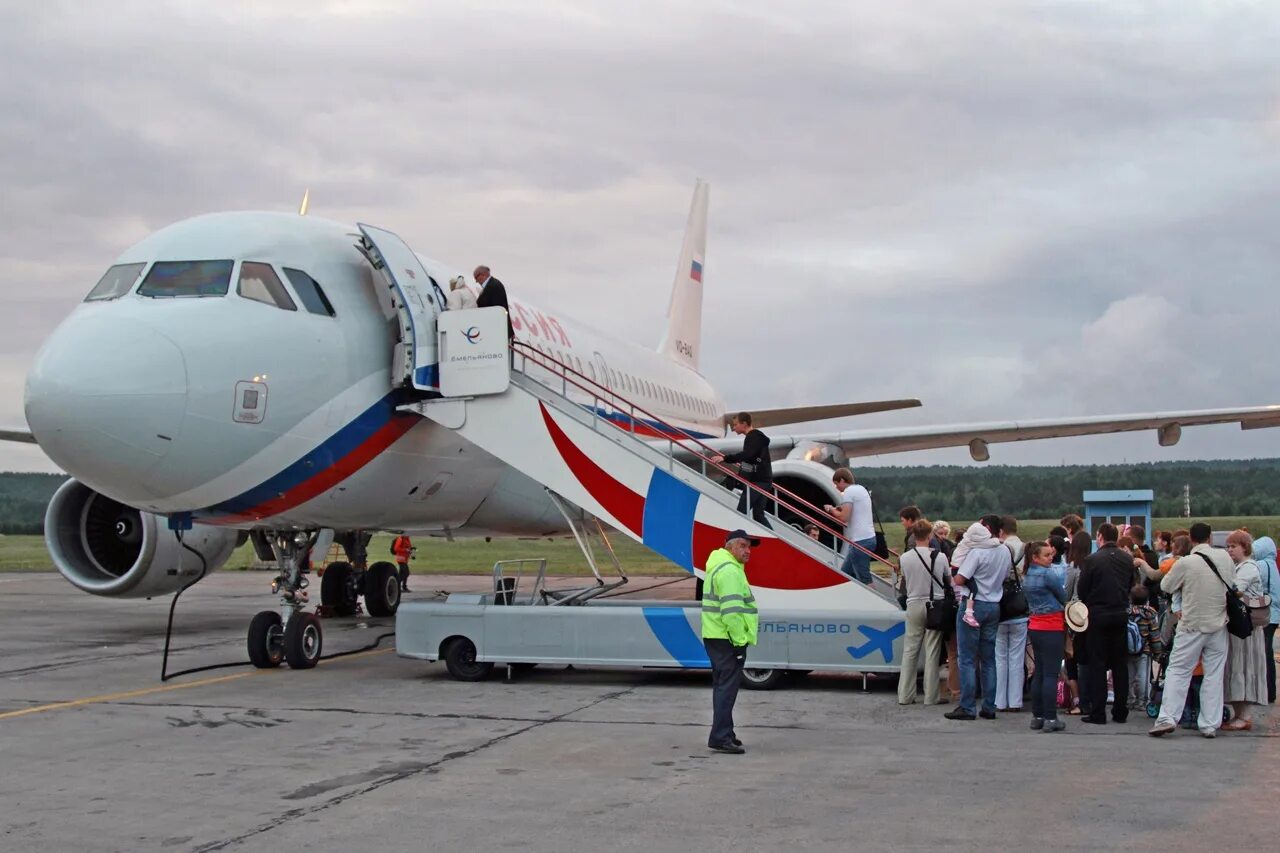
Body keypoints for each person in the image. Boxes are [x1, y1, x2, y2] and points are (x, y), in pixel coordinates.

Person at [1150, 523, 1231, 738]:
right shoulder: (1225, 558)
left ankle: (1168, 718)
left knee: (1178, 670)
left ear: (1191, 539)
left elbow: (1166, 586)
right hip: (1219, 624)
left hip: (1192, 623)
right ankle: (1209, 724)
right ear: (1210, 537)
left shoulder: (1186, 563)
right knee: (1213, 674)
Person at [945, 515, 1010, 721]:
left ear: (985, 528)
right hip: (994, 604)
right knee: (989, 659)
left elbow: (959, 578)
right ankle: (989, 706)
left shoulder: (976, 552)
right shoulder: (1004, 551)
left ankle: (967, 706)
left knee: (967, 658)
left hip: (973, 604)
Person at [701, 529, 760, 754]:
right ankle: (720, 737)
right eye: (743, 546)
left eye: (749, 547)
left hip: (715, 636)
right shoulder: (730, 572)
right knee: (727, 689)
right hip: (727, 639)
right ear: (731, 547)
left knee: (722, 687)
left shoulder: (722, 566)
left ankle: (726, 731)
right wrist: (738, 643)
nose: (748, 551)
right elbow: (732, 613)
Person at [1077, 523, 1134, 724]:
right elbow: (1131, 585)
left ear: (1099, 537)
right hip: (1120, 613)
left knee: (1098, 664)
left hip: (1098, 614)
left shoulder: (1092, 560)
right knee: (1120, 664)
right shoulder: (1127, 558)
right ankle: (1120, 711)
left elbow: (1082, 590)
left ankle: (1098, 712)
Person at [897, 519, 950, 706]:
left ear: (914, 536)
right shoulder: (940, 557)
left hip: (913, 603)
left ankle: (905, 694)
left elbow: (903, 582)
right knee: (932, 651)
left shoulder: (904, 558)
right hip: (934, 604)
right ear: (930, 535)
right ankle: (931, 696)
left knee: (910, 650)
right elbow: (948, 579)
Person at [1222, 530, 1268, 730]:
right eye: (1228, 546)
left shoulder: (1248, 568)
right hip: (1240, 626)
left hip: (1246, 628)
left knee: (1243, 666)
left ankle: (1245, 715)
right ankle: (1239, 713)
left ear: (1245, 547)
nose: (1230, 550)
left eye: (1233, 546)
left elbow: (1235, 589)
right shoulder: (1239, 566)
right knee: (1236, 666)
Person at [1023, 541, 1068, 732]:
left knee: (1039, 672)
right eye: (1046, 555)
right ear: (1036, 557)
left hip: (1035, 625)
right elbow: (1062, 596)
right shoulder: (1048, 574)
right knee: (1051, 673)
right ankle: (1051, 718)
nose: (1050, 558)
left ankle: (1038, 715)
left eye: (1051, 554)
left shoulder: (1027, 575)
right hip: (1052, 625)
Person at [710, 413, 774, 527]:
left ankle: (738, 540)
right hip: (764, 481)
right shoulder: (757, 437)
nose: (733, 428)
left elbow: (746, 455)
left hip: (758, 482)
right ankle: (776, 543)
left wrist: (725, 458)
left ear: (744, 424)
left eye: (735, 425)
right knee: (758, 515)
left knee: (741, 513)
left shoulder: (753, 437)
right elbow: (751, 459)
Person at [995, 516, 1028, 712]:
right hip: (1018, 607)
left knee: (1000, 657)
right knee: (1017, 657)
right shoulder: (1026, 548)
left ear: (1001, 531)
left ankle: (999, 701)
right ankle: (1016, 701)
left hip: (1000, 607)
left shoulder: (999, 549)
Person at [824, 468, 875, 584]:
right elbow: (853, 511)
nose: (837, 488)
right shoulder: (861, 489)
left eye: (836, 484)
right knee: (845, 574)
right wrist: (839, 509)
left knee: (864, 578)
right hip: (868, 538)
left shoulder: (849, 492)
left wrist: (831, 510)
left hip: (860, 541)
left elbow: (843, 517)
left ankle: (877, 601)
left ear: (842, 480)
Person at [1127, 585, 1162, 711]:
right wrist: (1158, 653)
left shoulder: (1127, 611)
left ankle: (1129, 699)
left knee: (1129, 676)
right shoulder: (1150, 613)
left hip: (1127, 650)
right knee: (1143, 676)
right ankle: (1142, 701)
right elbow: (1155, 635)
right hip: (1144, 650)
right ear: (1147, 599)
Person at [1254, 536, 1279, 704]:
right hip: (1274, 614)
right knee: (1267, 653)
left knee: (1263, 654)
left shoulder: (1261, 566)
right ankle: (1270, 691)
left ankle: (1266, 692)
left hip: (1266, 614)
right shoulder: (1272, 565)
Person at [473, 265, 514, 341]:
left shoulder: (493, 286)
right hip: (498, 331)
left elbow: (495, 309)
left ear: (482, 275)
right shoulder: (492, 285)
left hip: (497, 331)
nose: (476, 281)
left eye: (476, 278)